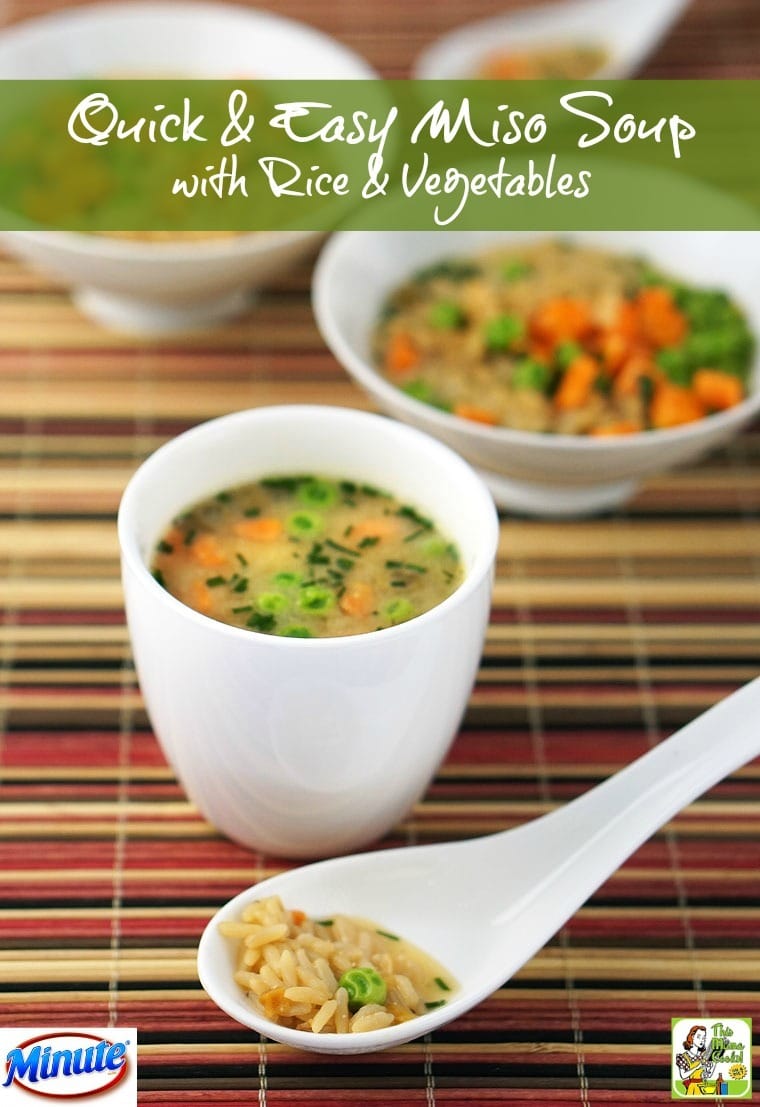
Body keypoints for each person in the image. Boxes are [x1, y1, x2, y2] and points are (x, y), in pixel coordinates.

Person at [675, 1025, 715, 1096]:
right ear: (692, 1037)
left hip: (702, 1088)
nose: (702, 1040)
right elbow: (683, 1076)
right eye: (699, 1037)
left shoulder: (703, 1056)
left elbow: (708, 1075)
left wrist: (714, 1063)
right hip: (692, 1089)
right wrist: (697, 1067)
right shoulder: (682, 1057)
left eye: (704, 1038)